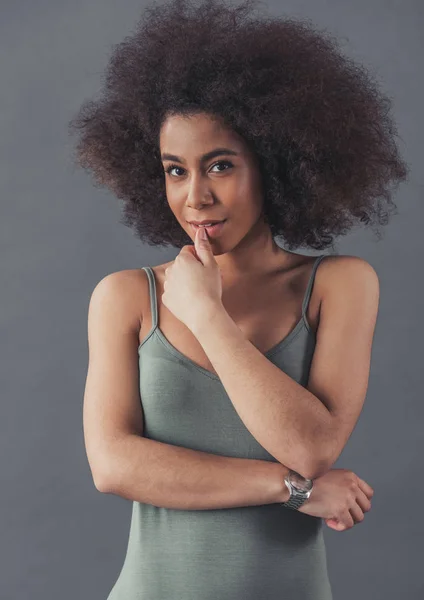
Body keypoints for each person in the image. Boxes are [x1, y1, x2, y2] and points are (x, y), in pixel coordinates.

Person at [69, 0, 408, 598]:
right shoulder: (127, 297)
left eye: (220, 165)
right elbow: (113, 466)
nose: (195, 196)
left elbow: (311, 445)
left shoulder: (338, 285)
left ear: (275, 167)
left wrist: (206, 314)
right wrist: (291, 488)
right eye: (175, 170)